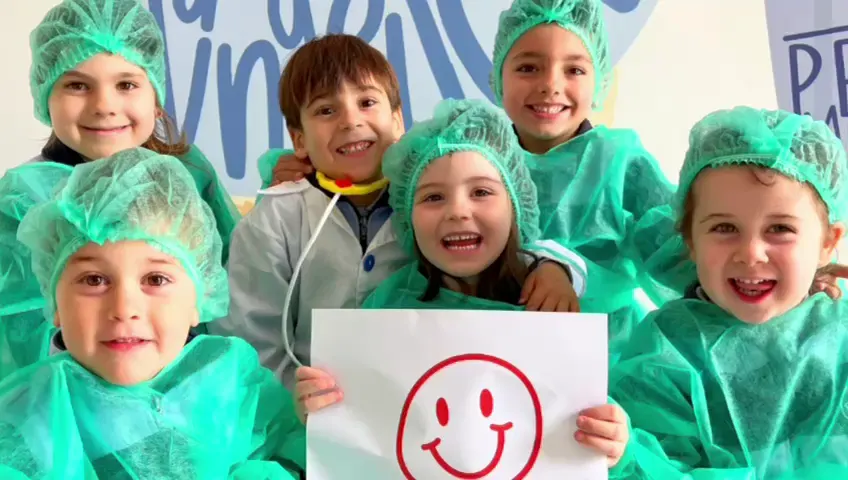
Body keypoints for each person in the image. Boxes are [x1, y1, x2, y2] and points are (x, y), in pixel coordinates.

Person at [212, 35, 583, 390]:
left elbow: (499, 248)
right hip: (303, 422)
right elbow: (249, 344)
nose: (350, 121)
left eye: (368, 103)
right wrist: (299, 411)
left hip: (421, 406)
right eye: (326, 110)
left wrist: (549, 266)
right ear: (299, 141)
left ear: (398, 121)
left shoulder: (431, 202)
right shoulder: (275, 219)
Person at [296, 98, 626, 469]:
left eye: (482, 192)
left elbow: (585, 405)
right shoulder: (386, 308)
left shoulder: (554, 300)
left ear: (516, 203)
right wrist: (322, 413)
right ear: (405, 214)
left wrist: (611, 438)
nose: (458, 210)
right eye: (433, 197)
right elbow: (361, 426)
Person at [0, 148, 304, 478]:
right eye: (94, 280)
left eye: (155, 279)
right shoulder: (26, 422)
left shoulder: (234, 389)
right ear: (54, 304)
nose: (124, 309)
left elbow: (293, 456)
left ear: (198, 301)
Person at [0, 0, 240, 381]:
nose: (105, 106)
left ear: (155, 94)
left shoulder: (190, 173)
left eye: (126, 83)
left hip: (192, 392)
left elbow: (232, 281)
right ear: (46, 94)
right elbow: (14, 339)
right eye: (77, 85)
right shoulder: (22, 200)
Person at [609, 107, 848, 478]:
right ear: (689, 240)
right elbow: (654, 463)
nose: (751, 253)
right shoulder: (666, 354)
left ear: (827, 243)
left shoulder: (841, 335)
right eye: (724, 227)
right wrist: (631, 456)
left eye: (780, 228)